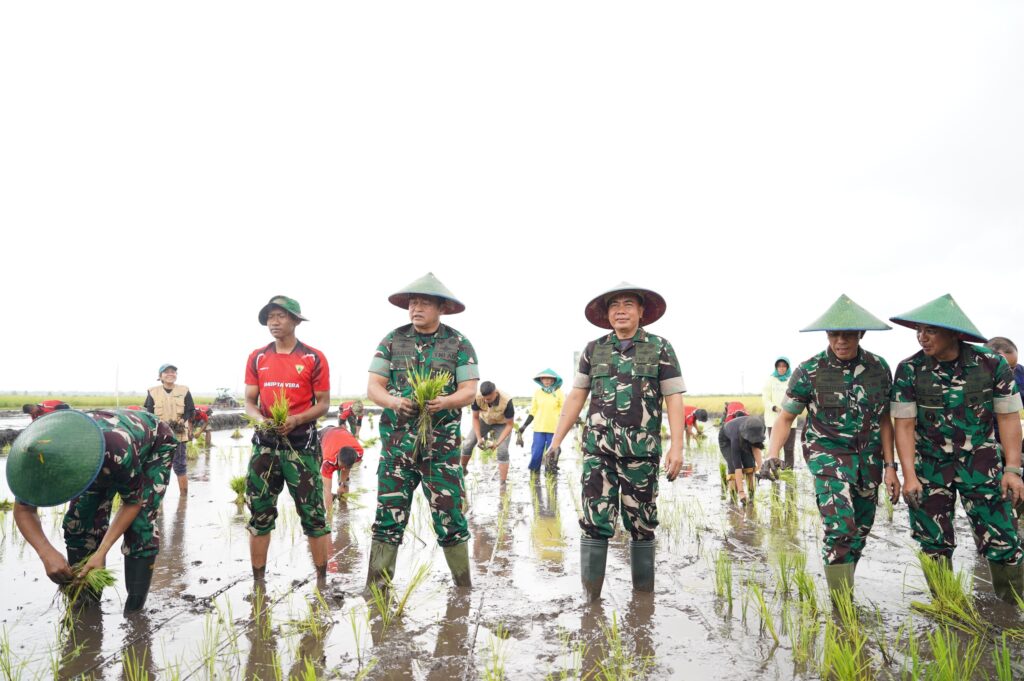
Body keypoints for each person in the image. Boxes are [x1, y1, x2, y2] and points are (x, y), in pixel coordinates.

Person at [545, 282, 685, 600]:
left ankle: (643, 601)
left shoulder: (660, 347)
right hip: (598, 450)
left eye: (627, 304)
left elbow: (674, 397)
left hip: (641, 453)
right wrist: (555, 441)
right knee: (594, 522)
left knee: (642, 524)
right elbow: (577, 396)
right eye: (614, 306)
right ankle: (591, 602)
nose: (620, 310)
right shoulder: (594, 349)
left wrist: (678, 446)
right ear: (607, 314)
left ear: (641, 312)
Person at [889, 294, 1024, 602]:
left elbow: (1007, 417)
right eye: (918, 331)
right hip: (930, 468)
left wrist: (1013, 469)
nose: (922, 337)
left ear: (954, 333)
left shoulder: (992, 365)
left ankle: (1012, 608)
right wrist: (909, 475)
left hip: (983, 465)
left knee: (1002, 539)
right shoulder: (910, 369)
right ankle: (947, 606)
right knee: (933, 543)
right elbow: (905, 426)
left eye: (930, 331)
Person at [763, 294, 898, 598]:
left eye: (848, 334)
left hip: (870, 461)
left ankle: (844, 581)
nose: (840, 340)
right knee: (839, 529)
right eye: (834, 334)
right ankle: (842, 606)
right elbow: (785, 418)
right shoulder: (810, 370)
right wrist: (772, 455)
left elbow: (886, 419)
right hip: (828, 459)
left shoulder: (879, 368)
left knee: (860, 530)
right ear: (826, 335)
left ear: (860, 334)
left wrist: (891, 467)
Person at [365, 273, 479, 589]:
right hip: (397, 450)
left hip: (440, 452)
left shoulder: (459, 343)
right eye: (413, 302)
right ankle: (375, 590)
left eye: (424, 302)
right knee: (387, 521)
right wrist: (393, 401)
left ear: (441, 307)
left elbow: (469, 391)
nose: (416, 308)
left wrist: (445, 402)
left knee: (451, 521)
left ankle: (463, 589)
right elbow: (374, 386)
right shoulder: (392, 340)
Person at [9, 409, 176, 614]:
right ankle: (86, 609)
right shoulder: (33, 455)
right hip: (99, 459)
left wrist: (101, 552)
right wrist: (46, 553)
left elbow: (133, 502)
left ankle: (134, 613)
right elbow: (23, 510)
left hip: (151, 446)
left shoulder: (116, 450)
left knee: (140, 525)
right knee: (80, 522)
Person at [244, 295, 331, 583]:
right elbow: (249, 401)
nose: (274, 322)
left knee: (314, 516)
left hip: (301, 449)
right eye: (270, 317)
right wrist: (261, 420)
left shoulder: (313, 357)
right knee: (259, 516)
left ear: (295, 320)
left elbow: (322, 404)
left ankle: (321, 579)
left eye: (281, 316)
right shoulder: (258, 357)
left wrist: (296, 419)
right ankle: (258, 582)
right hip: (265, 449)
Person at [144, 364, 195, 494]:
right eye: (166, 372)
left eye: (173, 372)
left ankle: (184, 498)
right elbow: (149, 414)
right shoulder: (153, 392)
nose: (170, 374)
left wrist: (183, 420)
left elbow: (190, 410)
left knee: (180, 466)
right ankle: (158, 502)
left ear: (176, 375)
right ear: (160, 376)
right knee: (158, 467)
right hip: (160, 437)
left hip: (179, 435)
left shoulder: (184, 390)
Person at [461, 381, 515, 484]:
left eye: (489, 398)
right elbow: (475, 418)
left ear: (495, 393)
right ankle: (462, 470)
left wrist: (497, 443)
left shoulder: (507, 401)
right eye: (484, 398)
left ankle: (502, 483)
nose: (486, 400)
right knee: (467, 443)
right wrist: (479, 438)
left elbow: (509, 425)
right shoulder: (477, 398)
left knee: (502, 451)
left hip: (502, 423)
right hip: (484, 420)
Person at [518, 369, 565, 473]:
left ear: (554, 380)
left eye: (549, 378)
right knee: (536, 452)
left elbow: (564, 412)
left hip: (554, 429)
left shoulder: (559, 393)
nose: (547, 381)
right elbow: (533, 411)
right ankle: (534, 473)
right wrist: (524, 426)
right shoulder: (537, 393)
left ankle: (551, 472)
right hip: (539, 428)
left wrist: (564, 427)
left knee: (552, 453)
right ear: (541, 380)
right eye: (544, 378)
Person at [718, 414, 766, 504]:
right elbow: (738, 467)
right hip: (727, 440)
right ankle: (734, 498)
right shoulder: (735, 436)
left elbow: (756, 446)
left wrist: (761, 468)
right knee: (733, 467)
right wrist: (741, 492)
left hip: (745, 433)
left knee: (750, 465)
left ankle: (752, 496)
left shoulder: (760, 427)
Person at [319, 424, 364, 512]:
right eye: (341, 466)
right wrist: (329, 515)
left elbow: (346, 469)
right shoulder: (329, 461)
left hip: (340, 433)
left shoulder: (359, 452)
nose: (343, 469)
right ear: (338, 458)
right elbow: (327, 489)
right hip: (323, 435)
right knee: (322, 482)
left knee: (345, 483)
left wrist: (342, 484)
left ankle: (343, 506)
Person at [762, 356, 797, 467]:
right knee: (774, 449)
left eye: (784, 366)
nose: (781, 368)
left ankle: (788, 474)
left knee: (789, 448)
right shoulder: (770, 380)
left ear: (787, 367)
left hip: (789, 420)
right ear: (776, 367)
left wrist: (790, 408)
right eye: (779, 366)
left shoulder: (792, 380)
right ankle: (774, 474)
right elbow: (765, 399)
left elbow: (796, 397)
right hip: (773, 420)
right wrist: (775, 408)